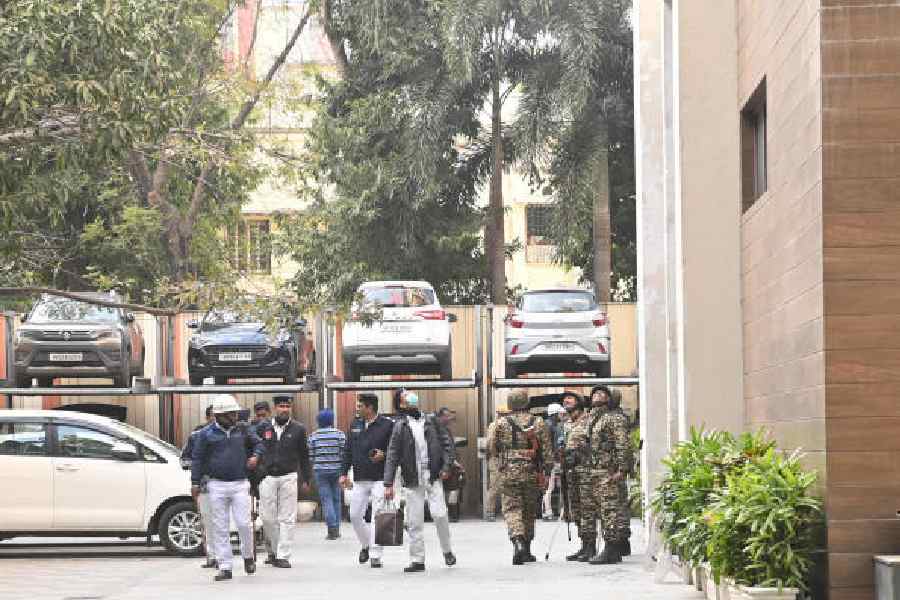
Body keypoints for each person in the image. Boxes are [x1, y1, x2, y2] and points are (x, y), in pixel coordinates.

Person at [191, 394, 265, 582]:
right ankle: (225, 566)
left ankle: (248, 556)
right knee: (220, 526)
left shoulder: (243, 429)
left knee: (244, 524)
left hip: (240, 483)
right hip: (216, 485)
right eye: (230, 414)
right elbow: (197, 459)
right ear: (218, 416)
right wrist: (195, 482)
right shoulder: (205, 435)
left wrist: (255, 456)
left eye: (235, 413)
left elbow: (259, 443)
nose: (235, 417)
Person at [383, 391, 457, 573]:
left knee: (440, 514)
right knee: (414, 520)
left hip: (433, 475)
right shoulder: (400, 426)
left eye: (410, 393)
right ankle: (417, 559)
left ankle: (447, 551)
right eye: (405, 396)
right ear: (401, 405)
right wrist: (388, 483)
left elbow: (447, 444)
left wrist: (447, 466)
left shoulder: (432, 420)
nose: (410, 396)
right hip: (412, 477)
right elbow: (392, 455)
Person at [486, 390, 552, 565]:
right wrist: (547, 469)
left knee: (512, 508)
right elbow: (546, 449)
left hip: (508, 471)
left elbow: (491, 446)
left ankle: (518, 542)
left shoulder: (499, 423)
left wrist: (502, 458)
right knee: (529, 510)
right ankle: (528, 549)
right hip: (531, 470)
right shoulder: (537, 422)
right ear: (526, 403)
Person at [257, 395, 312, 569]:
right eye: (281, 406)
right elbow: (255, 450)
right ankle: (273, 551)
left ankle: (283, 555)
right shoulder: (263, 428)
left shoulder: (299, 429)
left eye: (287, 406)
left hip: (289, 476)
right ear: (274, 408)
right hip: (267, 477)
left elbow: (304, 454)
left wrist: (306, 478)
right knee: (267, 517)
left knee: (287, 517)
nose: (284, 409)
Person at [341, 393, 394, 568]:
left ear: (369, 408)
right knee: (354, 515)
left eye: (359, 406)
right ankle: (366, 545)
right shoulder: (355, 424)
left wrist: (384, 455)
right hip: (360, 477)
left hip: (380, 478)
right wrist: (343, 473)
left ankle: (376, 555)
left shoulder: (387, 425)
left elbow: (395, 451)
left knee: (378, 515)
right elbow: (347, 450)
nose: (357, 409)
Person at [585, 386, 631, 565]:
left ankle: (612, 549)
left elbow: (623, 445)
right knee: (604, 510)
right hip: (597, 471)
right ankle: (612, 547)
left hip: (609, 472)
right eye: (595, 393)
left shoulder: (614, 418)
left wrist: (622, 469)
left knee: (610, 510)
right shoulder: (595, 418)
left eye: (602, 394)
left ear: (610, 399)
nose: (597, 395)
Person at [181, 405, 216, 569]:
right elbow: (184, 459)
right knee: (207, 520)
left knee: (223, 522)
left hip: (226, 482)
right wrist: (198, 467)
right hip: (205, 485)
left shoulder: (231, 433)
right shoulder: (196, 436)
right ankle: (212, 556)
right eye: (215, 416)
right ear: (208, 418)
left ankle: (222, 556)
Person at [560, 392, 594, 562]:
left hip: (586, 471)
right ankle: (583, 545)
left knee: (588, 510)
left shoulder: (589, 421)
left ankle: (591, 546)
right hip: (570, 471)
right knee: (576, 509)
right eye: (564, 399)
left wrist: (581, 451)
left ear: (579, 403)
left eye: (570, 399)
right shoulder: (566, 424)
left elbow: (595, 444)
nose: (566, 401)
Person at [308, 408, 346, 540]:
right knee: (337, 499)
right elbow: (343, 453)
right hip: (337, 470)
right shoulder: (340, 434)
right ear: (331, 420)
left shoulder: (313, 436)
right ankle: (337, 528)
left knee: (326, 500)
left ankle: (332, 530)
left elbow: (311, 456)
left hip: (320, 471)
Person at [437, 407, 465, 522]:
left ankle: (451, 514)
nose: (449, 418)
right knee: (442, 490)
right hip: (441, 465)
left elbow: (450, 448)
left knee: (453, 487)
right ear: (441, 416)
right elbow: (443, 449)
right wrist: (453, 462)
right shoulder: (436, 429)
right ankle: (445, 514)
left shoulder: (446, 429)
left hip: (449, 464)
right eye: (447, 416)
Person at [542, 402, 565, 520]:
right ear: (555, 414)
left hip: (546, 461)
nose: (562, 415)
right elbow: (557, 446)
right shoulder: (555, 427)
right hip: (554, 461)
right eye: (560, 413)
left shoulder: (544, 425)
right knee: (557, 486)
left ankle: (547, 512)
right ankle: (558, 512)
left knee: (549, 487)